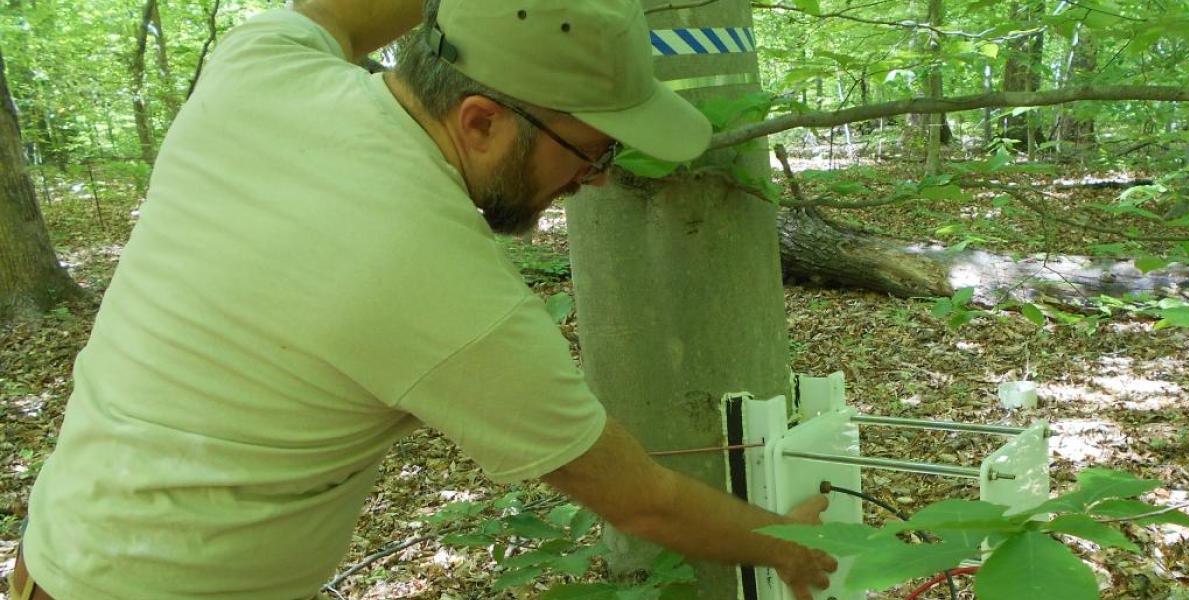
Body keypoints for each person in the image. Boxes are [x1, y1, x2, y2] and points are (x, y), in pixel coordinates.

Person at [7, 1, 836, 599]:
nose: (600, 179)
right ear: (479, 122)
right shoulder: (452, 296)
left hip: (55, 550)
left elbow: (336, 14)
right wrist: (791, 550)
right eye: (592, 149)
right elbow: (640, 500)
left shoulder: (260, 70)